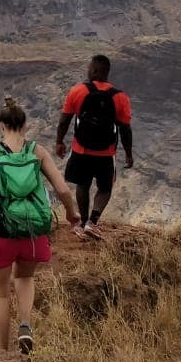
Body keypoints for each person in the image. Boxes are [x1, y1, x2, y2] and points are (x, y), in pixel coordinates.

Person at [0, 96, 79, 354]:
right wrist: (72, 213)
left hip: (2, 231)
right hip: (33, 231)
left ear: (1, 125)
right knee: (24, 276)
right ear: (24, 125)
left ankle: (2, 351)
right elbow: (63, 188)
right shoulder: (37, 151)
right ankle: (25, 325)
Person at [55, 54, 134, 238]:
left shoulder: (77, 91)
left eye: (89, 68)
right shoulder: (120, 97)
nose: (88, 70)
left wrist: (59, 142)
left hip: (81, 149)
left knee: (83, 184)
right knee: (105, 188)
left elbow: (64, 120)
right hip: (106, 153)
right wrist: (129, 154)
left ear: (96, 71)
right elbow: (125, 129)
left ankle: (82, 223)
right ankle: (93, 221)